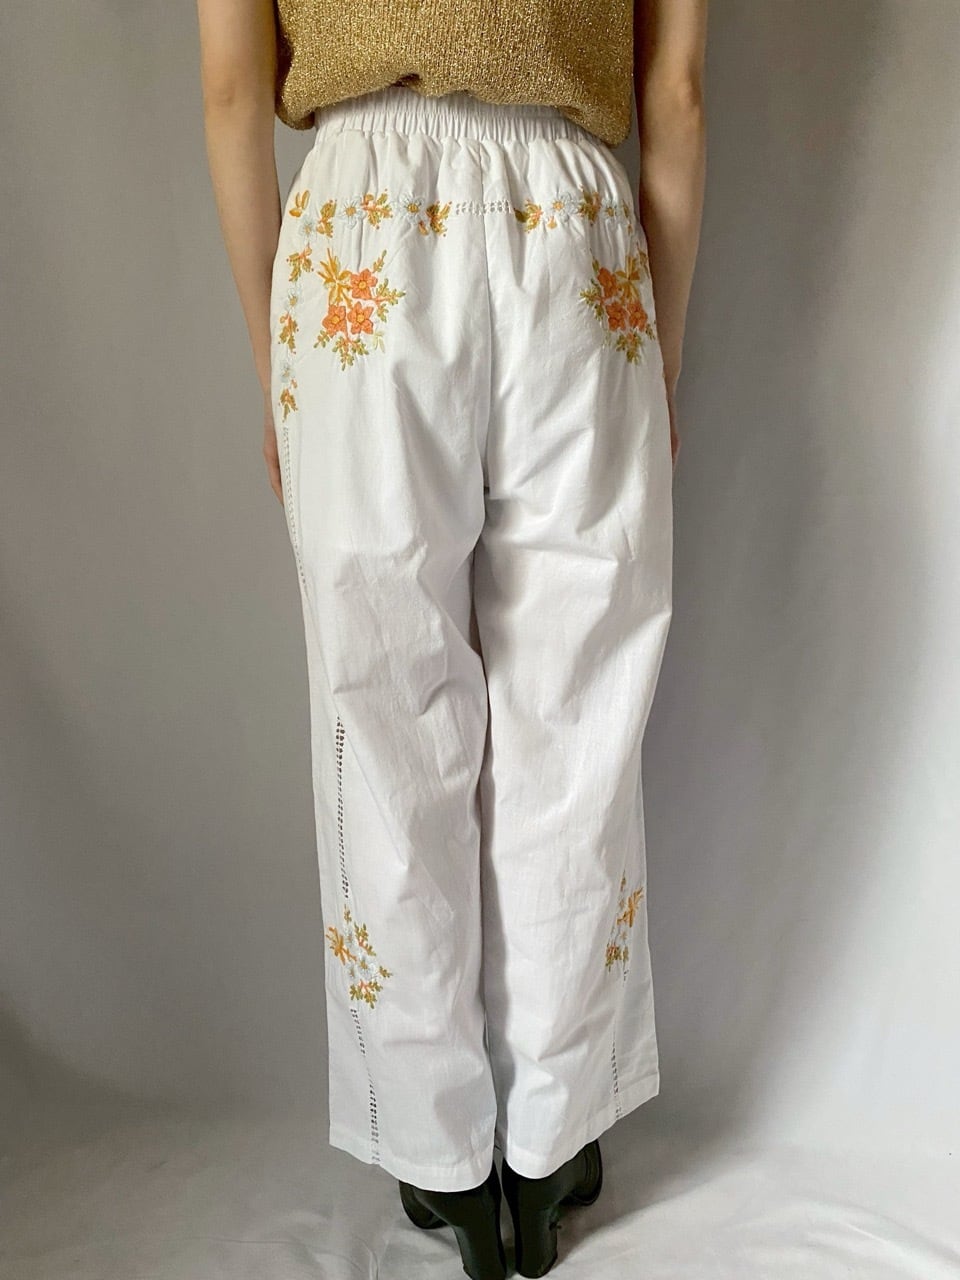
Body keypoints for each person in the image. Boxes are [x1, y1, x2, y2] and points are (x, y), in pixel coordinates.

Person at [197, 2, 707, 1275]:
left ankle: (440, 1159)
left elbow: (231, 90)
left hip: (359, 227)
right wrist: (662, 362)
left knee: (383, 713)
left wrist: (273, 360)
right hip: (575, 226)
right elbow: (677, 95)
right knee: (576, 714)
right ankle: (551, 1142)